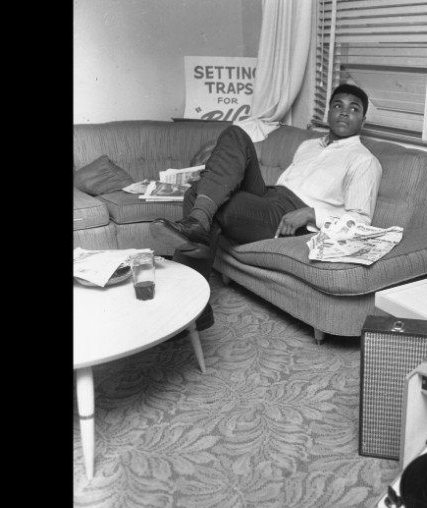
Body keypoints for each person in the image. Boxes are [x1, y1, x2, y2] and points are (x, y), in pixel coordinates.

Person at [150, 84, 382, 330]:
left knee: (200, 195)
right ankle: (198, 238)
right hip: (268, 198)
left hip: (288, 216)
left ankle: (187, 304)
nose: (344, 112)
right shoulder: (309, 146)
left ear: (362, 120)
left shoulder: (364, 161)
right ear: (328, 112)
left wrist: (312, 214)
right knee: (235, 135)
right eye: (338, 105)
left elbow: (361, 221)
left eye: (353, 108)